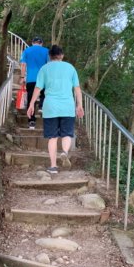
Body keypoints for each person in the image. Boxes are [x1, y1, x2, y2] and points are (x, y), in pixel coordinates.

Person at [27, 45, 84, 174]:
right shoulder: (70, 68)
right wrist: (79, 105)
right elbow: (77, 88)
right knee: (67, 134)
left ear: (49, 56)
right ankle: (64, 152)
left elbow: (38, 88)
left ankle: (53, 166)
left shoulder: (44, 68)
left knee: (52, 137)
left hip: (50, 107)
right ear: (62, 55)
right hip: (67, 106)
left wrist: (31, 104)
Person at [20, 36, 49, 128]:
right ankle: (41, 107)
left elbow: (23, 64)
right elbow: (49, 65)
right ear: (41, 43)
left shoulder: (27, 51)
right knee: (44, 94)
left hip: (31, 79)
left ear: (32, 43)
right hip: (43, 78)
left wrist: (22, 76)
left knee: (31, 99)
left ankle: (31, 121)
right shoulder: (46, 51)